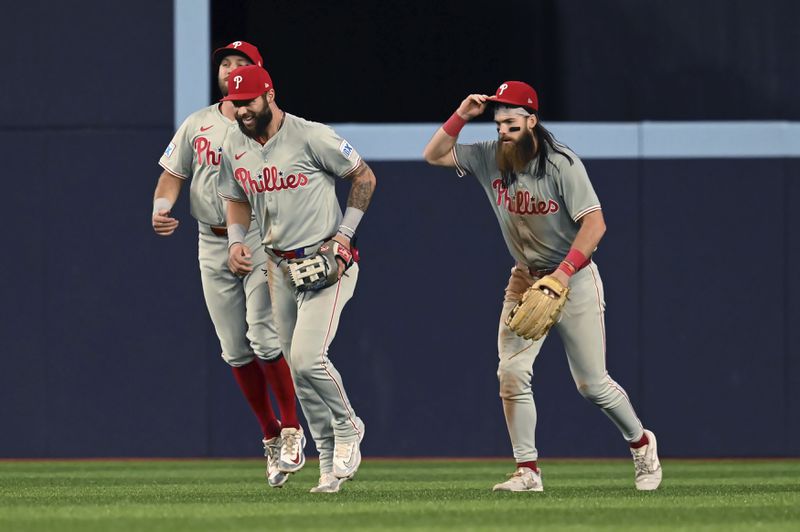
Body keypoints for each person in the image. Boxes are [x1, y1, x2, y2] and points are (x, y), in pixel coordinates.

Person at [422, 81, 662, 492]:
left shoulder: (561, 163)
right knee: (512, 373)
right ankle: (527, 471)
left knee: (592, 384)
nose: (503, 131)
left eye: (511, 123)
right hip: (524, 277)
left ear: (532, 121)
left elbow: (595, 224)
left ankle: (641, 444)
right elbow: (434, 154)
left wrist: (562, 274)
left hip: (572, 278)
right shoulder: (488, 157)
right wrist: (462, 114)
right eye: (498, 123)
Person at [217, 65, 376, 493]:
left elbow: (364, 176)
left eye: (249, 102)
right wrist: (235, 242)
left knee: (308, 358)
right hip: (279, 268)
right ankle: (327, 466)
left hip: (327, 262)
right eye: (235, 104)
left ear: (269, 94)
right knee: (297, 371)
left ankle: (349, 427)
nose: (242, 112)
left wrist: (344, 236)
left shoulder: (311, 135)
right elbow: (234, 198)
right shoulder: (234, 142)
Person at [152, 41, 300, 488]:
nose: (231, 69)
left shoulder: (269, 124)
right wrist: (161, 206)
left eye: (242, 63)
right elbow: (173, 172)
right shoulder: (199, 122)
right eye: (226, 63)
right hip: (209, 239)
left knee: (263, 334)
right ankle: (270, 433)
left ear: (262, 77)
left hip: (258, 237)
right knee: (234, 348)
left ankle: (292, 428)